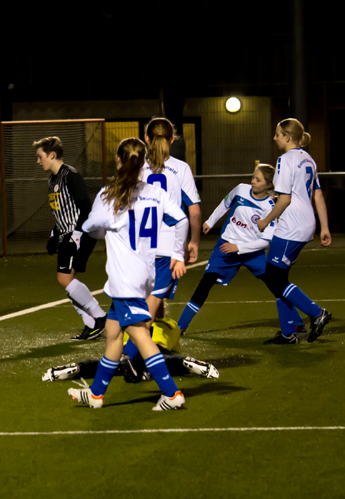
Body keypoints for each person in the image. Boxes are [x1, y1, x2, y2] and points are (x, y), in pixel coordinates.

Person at [68, 137, 189, 410]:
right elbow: (180, 220)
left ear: (118, 160)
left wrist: (106, 227)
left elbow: (90, 225)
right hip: (144, 276)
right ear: (144, 161)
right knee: (113, 333)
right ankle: (96, 394)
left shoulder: (108, 194)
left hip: (125, 279)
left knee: (140, 336)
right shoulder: (155, 193)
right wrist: (178, 254)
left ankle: (171, 393)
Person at [176, 164, 302, 334]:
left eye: (258, 180)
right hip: (225, 247)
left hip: (252, 253)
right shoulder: (241, 190)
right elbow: (225, 204)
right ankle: (181, 326)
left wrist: (239, 247)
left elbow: (265, 241)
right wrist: (210, 221)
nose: (252, 181)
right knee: (205, 283)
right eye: (253, 177)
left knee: (276, 284)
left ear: (269, 185)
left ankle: (297, 323)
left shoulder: (270, 207)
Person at [120, 118, 201, 361]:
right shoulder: (181, 168)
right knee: (151, 303)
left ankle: (150, 348)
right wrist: (193, 242)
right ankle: (130, 356)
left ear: (145, 137)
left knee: (147, 299)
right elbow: (193, 211)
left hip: (137, 243)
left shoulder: (135, 166)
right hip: (166, 245)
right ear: (172, 139)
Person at [257, 119, 333, 343]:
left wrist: (265, 220)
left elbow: (285, 199)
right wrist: (325, 227)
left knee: (273, 278)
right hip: (304, 222)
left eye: (277, 134)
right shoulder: (308, 159)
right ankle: (290, 331)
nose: (275, 138)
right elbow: (317, 195)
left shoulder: (285, 159)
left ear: (287, 137)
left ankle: (316, 313)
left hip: (292, 226)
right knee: (278, 277)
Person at [34, 136, 106, 341]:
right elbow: (61, 213)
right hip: (66, 235)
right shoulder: (52, 180)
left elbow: (85, 208)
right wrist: (53, 235)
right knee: (67, 280)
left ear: (52, 155)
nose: (38, 161)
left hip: (78, 235)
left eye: (40, 157)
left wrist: (75, 236)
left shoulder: (71, 176)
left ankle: (98, 317)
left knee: (64, 278)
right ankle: (91, 323)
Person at [43, 302, 220, 383]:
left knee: (111, 366)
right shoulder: (171, 324)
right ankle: (183, 363)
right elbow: (173, 347)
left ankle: (80, 367)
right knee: (165, 360)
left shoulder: (130, 323)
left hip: (131, 350)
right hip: (155, 350)